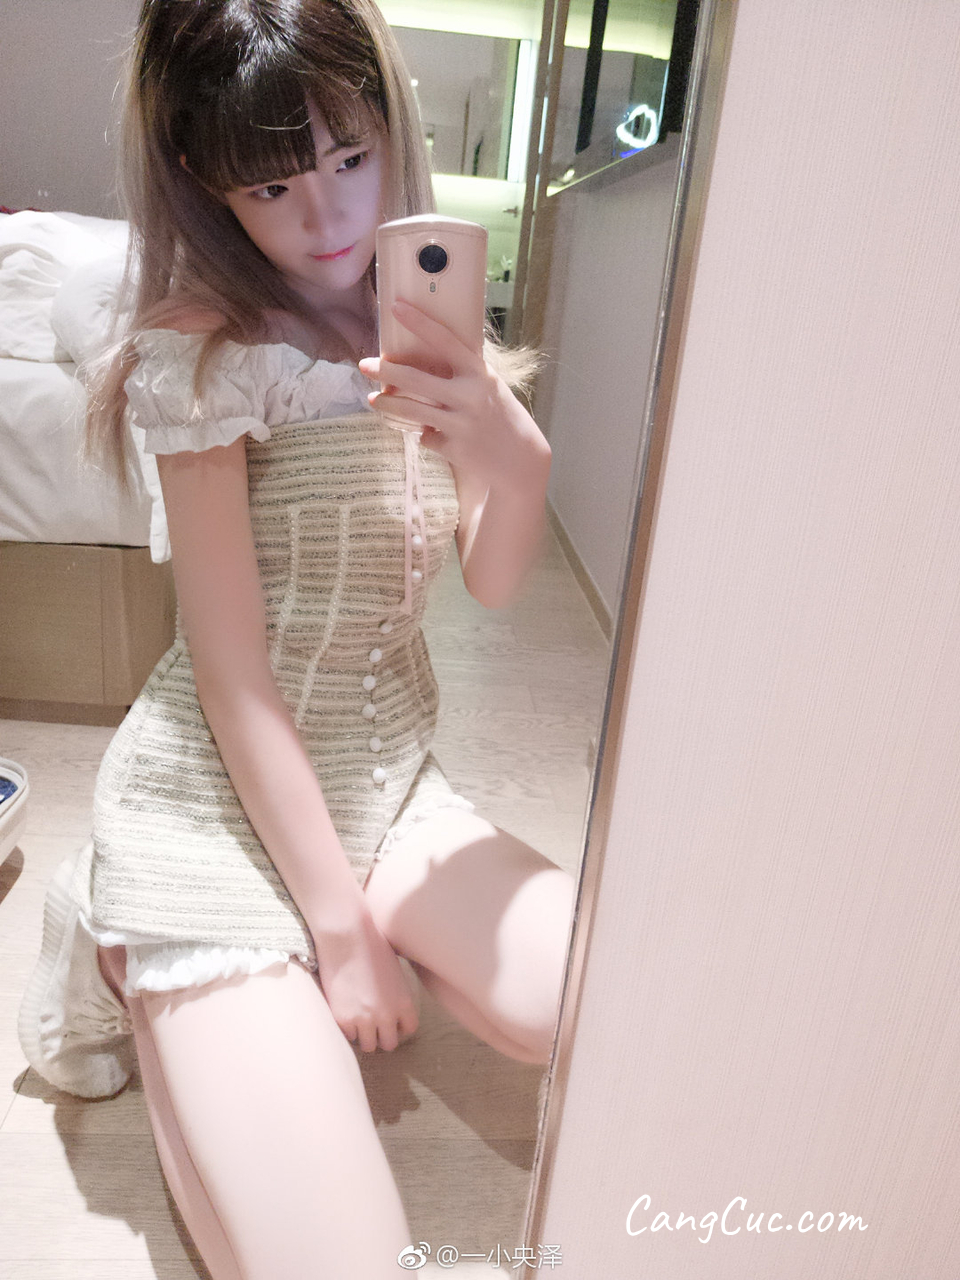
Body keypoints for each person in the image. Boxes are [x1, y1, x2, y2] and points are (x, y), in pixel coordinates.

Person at [18, 1, 576, 1276]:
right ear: (206, 182)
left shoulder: (419, 321)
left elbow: (490, 585)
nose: (325, 216)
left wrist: (515, 456)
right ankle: (118, 926)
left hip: (385, 777)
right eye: (272, 185)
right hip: (207, 801)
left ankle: (224, 983)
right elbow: (232, 675)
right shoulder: (203, 354)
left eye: (349, 158)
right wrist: (341, 932)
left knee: (603, 1009)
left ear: (390, 127)